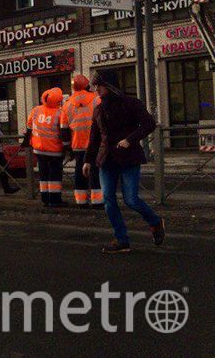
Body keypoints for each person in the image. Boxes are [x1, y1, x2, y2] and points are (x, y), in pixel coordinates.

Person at [84, 70, 164, 253]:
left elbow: (149, 124)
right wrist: (88, 160)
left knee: (131, 199)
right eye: (95, 86)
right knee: (108, 200)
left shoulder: (131, 103)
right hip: (106, 160)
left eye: (99, 86)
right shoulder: (98, 109)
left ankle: (155, 222)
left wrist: (130, 139)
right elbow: (94, 138)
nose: (96, 89)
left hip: (128, 157)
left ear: (109, 86)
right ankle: (121, 239)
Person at [61, 74, 102, 208]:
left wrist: (67, 147)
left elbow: (64, 129)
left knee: (79, 172)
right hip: (95, 143)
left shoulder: (67, 105)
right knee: (95, 171)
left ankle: (81, 201)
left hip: (78, 144)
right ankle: (97, 201)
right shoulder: (96, 99)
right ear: (87, 85)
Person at [26, 88, 68, 207]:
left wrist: (27, 143)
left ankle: (45, 199)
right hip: (55, 150)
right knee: (55, 176)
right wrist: (67, 147)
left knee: (43, 175)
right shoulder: (60, 112)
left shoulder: (36, 110)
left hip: (39, 149)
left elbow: (29, 128)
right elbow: (64, 132)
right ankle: (55, 200)